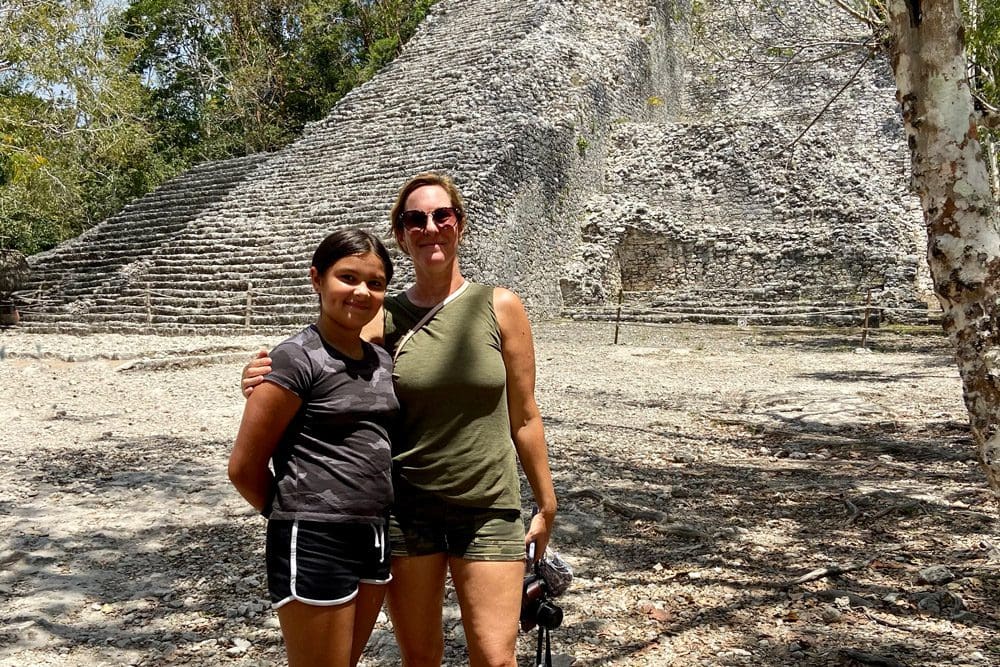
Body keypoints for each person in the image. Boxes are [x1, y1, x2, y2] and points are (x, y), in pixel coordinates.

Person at [243, 172, 558, 667]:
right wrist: (263, 376)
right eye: (416, 219)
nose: (430, 227)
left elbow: (524, 413)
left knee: (497, 659)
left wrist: (547, 501)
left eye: (442, 216)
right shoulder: (380, 313)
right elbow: (329, 364)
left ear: (460, 224)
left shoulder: (500, 306)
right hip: (408, 510)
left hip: (489, 506)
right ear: (401, 233)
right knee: (420, 658)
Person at [229, 228, 399, 667]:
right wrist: (293, 513)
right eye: (348, 277)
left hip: (374, 531)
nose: (361, 291)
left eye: (375, 283)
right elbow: (244, 468)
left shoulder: (381, 360)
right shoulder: (294, 358)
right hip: (315, 535)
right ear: (316, 279)